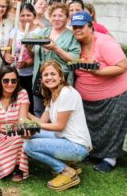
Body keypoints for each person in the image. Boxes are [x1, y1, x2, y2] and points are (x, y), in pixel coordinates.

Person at [70, 11, 127, 173]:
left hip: (120, 92)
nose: (77, 30)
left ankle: (110, 158)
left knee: (113, 126)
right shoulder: (74, 44)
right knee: (91, 126)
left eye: (81, 27)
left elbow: (122, 67)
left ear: (91, 27)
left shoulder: (104, 42)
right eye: (75, 27)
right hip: (89, 98)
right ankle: (92, 151)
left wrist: (97, 72)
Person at [24, 60, 92, 191]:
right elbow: (41, 123)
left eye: (53, 74)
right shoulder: (53, 94)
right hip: (65, 138)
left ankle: (67, 171)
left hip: (77, 146)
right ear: (42, 79)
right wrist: (25, 114)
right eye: (45, 75)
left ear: (61, 76)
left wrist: (32, 124)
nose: (49, 77)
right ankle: (69, 163)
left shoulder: (67, 93)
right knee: (32, 134)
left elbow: (59, 126)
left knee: (29, 147)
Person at [31, 3, 80, 116]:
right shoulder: (43, 33)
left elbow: (74, 59)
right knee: (39, 112)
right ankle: (41, 134)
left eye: (60, 16)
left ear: (67, 19)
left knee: (57, 115)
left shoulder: (71, 36)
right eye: (54, 15)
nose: (56, 18)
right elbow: (35, 52)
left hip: (61, 82)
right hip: (40, 80)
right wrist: (29, 48)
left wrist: (57, 49)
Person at [0, 66, 30, 181]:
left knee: (20, 138)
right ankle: (6, 165)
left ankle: (18, 168)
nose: (10, 84)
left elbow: (22, 119)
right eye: (6, 80)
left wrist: (20, 128)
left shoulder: (22, 94)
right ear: (0, 81)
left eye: (14, 81)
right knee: (0, 166)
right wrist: (0, 130)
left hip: (15, 131)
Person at [4, 4, 41, 113]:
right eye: (22, 15)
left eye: (28, 15)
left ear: (34, 15)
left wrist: (26, 63)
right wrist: (7, 57)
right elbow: (8, 50)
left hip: (31, 74)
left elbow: (39, 57)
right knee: (15, 98)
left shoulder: (39, 32)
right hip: (15, 72)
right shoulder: (14, 30)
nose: (25, 18)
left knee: (28, 100)